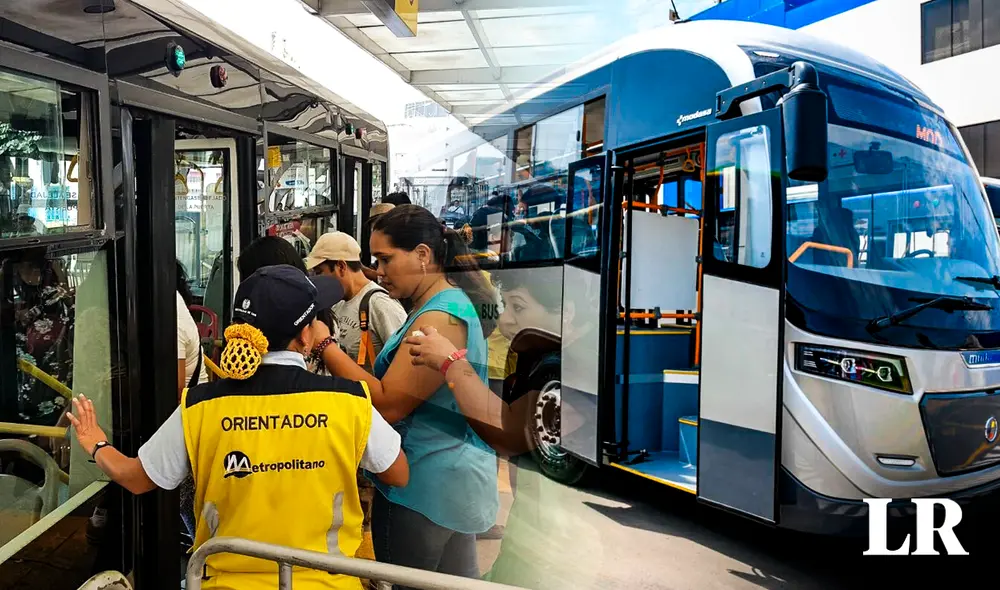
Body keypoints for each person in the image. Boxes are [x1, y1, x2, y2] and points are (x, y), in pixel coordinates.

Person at [67, 264, 408, 590]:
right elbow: (398, 473)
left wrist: (97, 444)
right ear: (306, 336)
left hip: (227, 583)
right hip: (328, 583)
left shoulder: (200, 406)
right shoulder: (348, 401)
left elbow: (136, 478)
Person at [315, 205, 499, 585]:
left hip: (422, 489)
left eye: (385, 259)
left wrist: (325, 346)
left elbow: (389, 402)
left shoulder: (439, 316)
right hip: (451, 484)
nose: (378, 272)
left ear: (422, 255)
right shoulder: (442, 306)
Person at [305, 232, 407, 372]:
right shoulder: (337, 303)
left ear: (341, 266)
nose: (317, 278)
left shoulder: (380, 304)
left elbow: (405, 362)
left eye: (319, 272)